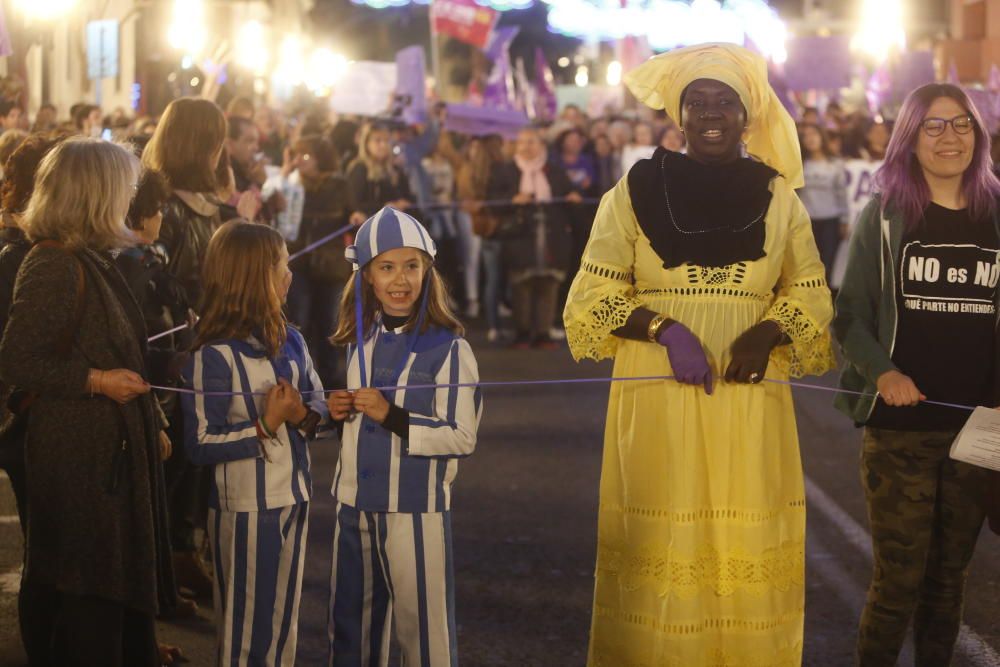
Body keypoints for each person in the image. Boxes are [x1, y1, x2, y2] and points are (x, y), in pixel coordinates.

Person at [563, 43, 834, 665]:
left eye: (726, 101)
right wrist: (664, 328)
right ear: (678, 116)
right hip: (658, 392)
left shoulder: (780, 198)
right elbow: (591, 293)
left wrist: (766, 333)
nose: (712, 113)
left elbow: (812, 293)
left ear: (749, 114)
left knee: (743, 528)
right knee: (663, 530)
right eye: (697, 102)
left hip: (748, 396)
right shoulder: (630, 191)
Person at [834, 83, 1000, 666]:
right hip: (900, 430)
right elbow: (848, 313)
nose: (949, 137)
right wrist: (882, 373)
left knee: (948, 580)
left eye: (961, 125)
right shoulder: (885, 215)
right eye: (933, 125)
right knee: (897, 583)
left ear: (978, 136)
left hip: (976, 433)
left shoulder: (996, 214)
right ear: (910, 137)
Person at [0, 138, 175, 666]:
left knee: (105, 584)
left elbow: (122, 348)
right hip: (80, 460)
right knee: (85, 588)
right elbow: (18, 360)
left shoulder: (88, 257)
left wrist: (154, 419)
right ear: (95, 195)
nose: (130, 200)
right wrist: (97, 381)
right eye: (123, 189)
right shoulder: (53, 264)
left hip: (103, 457)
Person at [326, 206, 482, 667]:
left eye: (411, 266)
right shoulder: (361, 338)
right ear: (367, 276)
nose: (400, 279)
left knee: (422, 633)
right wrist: (339, 411)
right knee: (349, 628)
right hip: (352, 504)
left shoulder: (451, 347)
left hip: (414, 508)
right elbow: (360, 416)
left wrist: (392, 416)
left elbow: (461, 435)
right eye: (387, 267)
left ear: (427, 271)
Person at [183, 220, 326, 666]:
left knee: (283, 622)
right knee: (246, 628)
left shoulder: (293, 339)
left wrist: (303, 415)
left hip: (294, 496)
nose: (290, 275)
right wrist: (265, 424)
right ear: (251, 277)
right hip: (244, 507)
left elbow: (319, 411)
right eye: (281, 266)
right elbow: (201, 443)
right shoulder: (213, 354)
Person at [142, 96, 227, 599]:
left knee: (201, 458)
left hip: (209, 338)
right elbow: (156, 284)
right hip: (178, 346)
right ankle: (169, 558)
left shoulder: (208, 202)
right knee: (178, 458)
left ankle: (186, 548)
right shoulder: (165, 207)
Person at [489, 126, 581, 348]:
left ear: (541, 145)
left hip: (551, 236)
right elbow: (492, 201)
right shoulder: (505, 171)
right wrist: (512, 199)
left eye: (532, 142)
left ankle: (543, 333)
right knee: (521, 285)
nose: (527, 147)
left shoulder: (555, 171)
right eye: (522, 142)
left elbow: (569, 197)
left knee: (548, 285)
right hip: (520, 236)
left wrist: (573, 198)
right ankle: (521, 333)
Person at [284, 134, 361, 390]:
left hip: (330, 266)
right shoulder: (291, 183)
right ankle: (300, 377)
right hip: (299, 265)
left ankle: (330, 379)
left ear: (320, 159)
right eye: (295, 155)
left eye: (304, 156)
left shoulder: (339, 185)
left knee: (329, 324)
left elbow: (352, 211)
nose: (298, 161)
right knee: (299, 321)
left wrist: (356, 216)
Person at [799, 122, 848, 285]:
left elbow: (842, 193)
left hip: (830, 221)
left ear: (821, 137)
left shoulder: (835, 164)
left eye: (814, 134)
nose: (810, 139)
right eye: (806, 135)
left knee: (827, 264)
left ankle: (827, 304)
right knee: (806, 266)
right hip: (806, 222)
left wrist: (844, 220)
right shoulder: (799, 164)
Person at [347, 122, 415, 216]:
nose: (383, 145)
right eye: (377, 141)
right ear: (367, 143)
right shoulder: (360, 168)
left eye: (386, 140)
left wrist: (404, 202)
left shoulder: (395, 168)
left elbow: (408, 196)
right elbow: (355, 204)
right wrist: (384, 207)